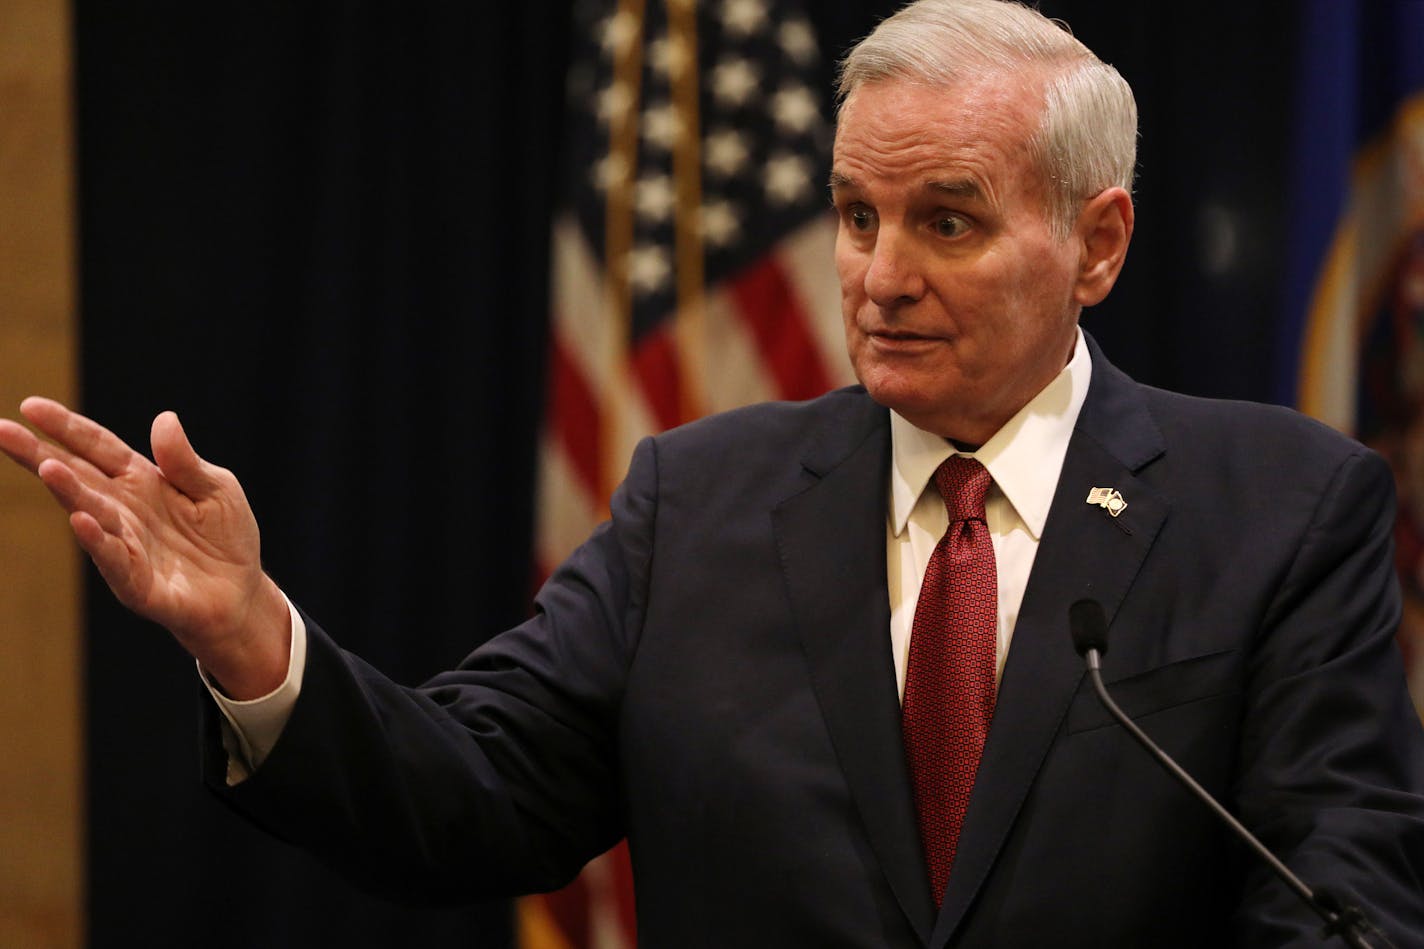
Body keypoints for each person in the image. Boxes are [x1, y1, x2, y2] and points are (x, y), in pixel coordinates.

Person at [4, 0, 1423, 945]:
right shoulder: (700, 501)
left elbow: (1342, 889)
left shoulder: (1283, 509)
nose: (881, 276)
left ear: (1098, 244)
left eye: (947, 221)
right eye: (858, 216)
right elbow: (476, 795)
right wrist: (255, 639)